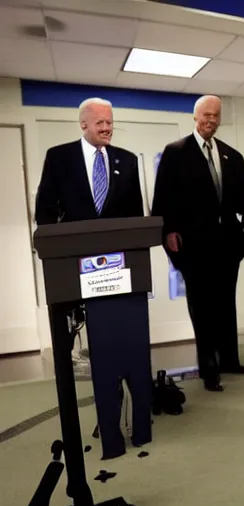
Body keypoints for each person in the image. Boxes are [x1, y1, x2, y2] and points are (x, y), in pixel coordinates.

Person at [35, 97, 150, 459]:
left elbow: (135, 220)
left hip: (122, 274)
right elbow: (45, 212)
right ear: (82, 125)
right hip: (80, 274)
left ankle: (138, 426)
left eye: (110, 122)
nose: (107, 128)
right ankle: (109, 418)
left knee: (127, 349)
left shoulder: (127, 161)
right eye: (99, 122)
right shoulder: (59, 157)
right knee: (102, 353)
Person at [151, 95, 244, 392]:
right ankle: (209, 369)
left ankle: (229, 360)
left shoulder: (232, 156)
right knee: (202, 307)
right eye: (206, 115)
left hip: (227, 246)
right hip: (193, 247)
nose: (211, 120)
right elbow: (162, 199)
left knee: (226, 304)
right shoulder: (176, 152)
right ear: (195, 117)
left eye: (216, 115)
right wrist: (168, 231)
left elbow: (243, 199)